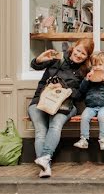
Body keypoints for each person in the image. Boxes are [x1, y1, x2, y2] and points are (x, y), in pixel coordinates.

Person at [28, 38, 94, 178]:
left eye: (83, 54)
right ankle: (45, 166)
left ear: (87, 57)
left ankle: (44, 161)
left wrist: (65, 88)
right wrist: (38, 60)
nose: (79, 55)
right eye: (78, 50)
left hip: (65, 105)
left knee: (55, 125)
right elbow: (35, 66)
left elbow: (81, 95)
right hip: (41, 101)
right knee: (40, 131)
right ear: (73, 48)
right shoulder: (58, 58)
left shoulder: (84, 71)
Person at [75, 51, 104, 152]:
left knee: (102, 117)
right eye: (94, 65)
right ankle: (84, 139)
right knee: (84, 117)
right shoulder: (89, 78)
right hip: (91, 106)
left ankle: (103, 139)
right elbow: (82, 90)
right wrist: (86, 80)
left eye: (100, 64)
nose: (97, 67)